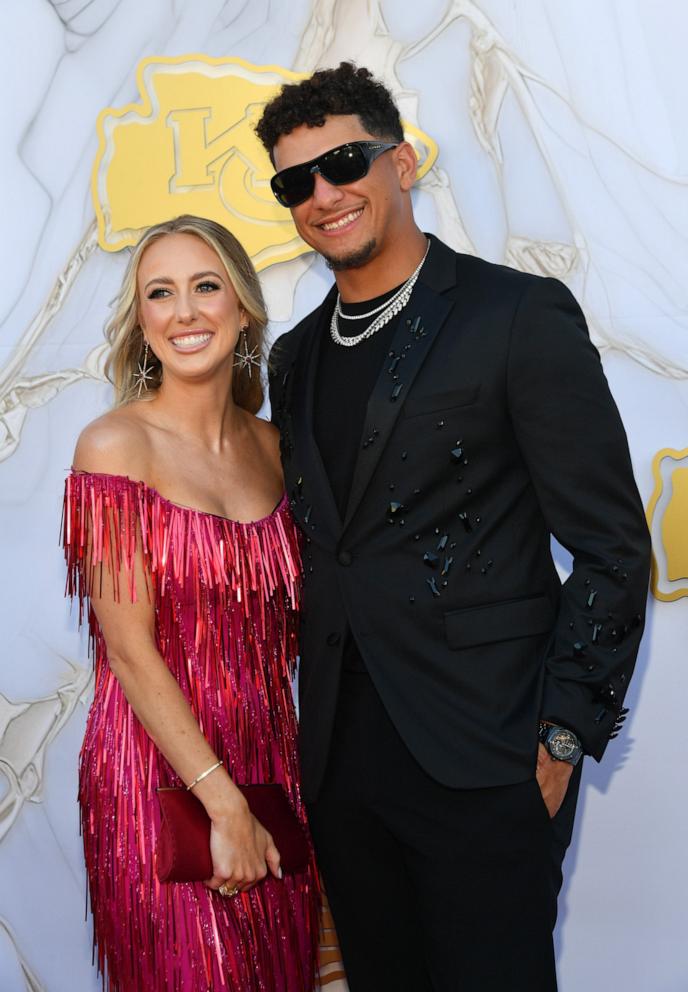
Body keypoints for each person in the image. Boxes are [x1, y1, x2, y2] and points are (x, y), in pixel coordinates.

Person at [255, 63, 652, 991]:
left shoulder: (514, 315)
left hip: (488, 752)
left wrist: (561, 737)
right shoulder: (296, 357)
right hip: (344, 765)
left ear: (400, 163)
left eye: (343, 162)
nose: (322, 194)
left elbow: (611, 544)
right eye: (294, 182)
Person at [62, 215, 319, 992]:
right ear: (141, 322)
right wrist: (222, 805)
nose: (185, 312)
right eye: (160, 293)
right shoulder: (113, 449)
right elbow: (131, 654)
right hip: (157, 774)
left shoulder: (279, 449)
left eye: (206, 287)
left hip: (272, 764)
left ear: (242, 308)